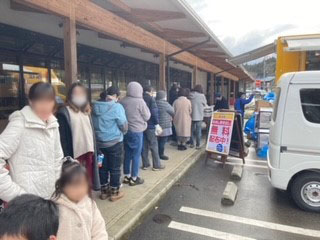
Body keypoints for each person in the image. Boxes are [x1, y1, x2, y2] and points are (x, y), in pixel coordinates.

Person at [0, 82, 63, 202]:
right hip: (26, 205)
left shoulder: (53, 124)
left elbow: (57, 158)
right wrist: (15, 195)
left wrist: (57, 187)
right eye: (41, 102)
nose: (45, 107)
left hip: (50, 200)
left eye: (49, 102)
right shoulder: (20, 123)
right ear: (31, 102)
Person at [56, 82, 100, 191]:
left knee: (87, 182)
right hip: (74, 156)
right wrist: (67, 159)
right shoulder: (64, 112)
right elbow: (62, 139)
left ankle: (87, 203)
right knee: (75, 184)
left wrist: (97, 149)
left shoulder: (86, 111)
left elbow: (92, 133)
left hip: (88, 153)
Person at [53, 159, 108, 240]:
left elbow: (99, 229)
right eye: (75, 185)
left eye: (83, 184)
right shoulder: (55, 208)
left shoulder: (90, 204)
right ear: (63, 185)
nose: (80, 190)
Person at [92, 86, 128, 201]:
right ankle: (114, 192)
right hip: (114, 143)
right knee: (115, 168)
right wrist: (124, 132)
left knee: (101, 166)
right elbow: (123, 125)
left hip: (99, 144)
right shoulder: (117, 107)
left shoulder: (94, 106)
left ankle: (104, 192)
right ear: (116, 96)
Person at [120, 82, 150, 186]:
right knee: (136, 155)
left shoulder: (122, 101)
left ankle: (127, 176)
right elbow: (147, 116)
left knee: (127, 154)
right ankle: (134, 177)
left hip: (125, 131)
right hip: (137, 131)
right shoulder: (140, 102)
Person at [141, 86, 165, 171]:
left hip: (141, 126)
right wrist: (157, 123)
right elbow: (154, 112)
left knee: (144, 146)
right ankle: (156, 165)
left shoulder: (140, 99)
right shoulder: (151, 99)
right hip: (150, 125)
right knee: (154, 145)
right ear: (150, 91)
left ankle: (145, 164)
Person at [156, 91, 175, 160]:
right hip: (165, 125)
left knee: (157, 140)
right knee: (162, 141)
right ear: (164, 96)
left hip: (156, 125)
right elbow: (173, 112)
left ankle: (156, 153)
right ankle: (161, 154)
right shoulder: (165, 104)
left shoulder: (154, 103)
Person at [189, 85, 207, 149]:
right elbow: (205, 104)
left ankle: (191, 144)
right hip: (199, 115)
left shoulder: (190, 95)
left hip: (191, 115)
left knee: (191, 130)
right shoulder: (202, 96)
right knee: (198, 130)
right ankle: (198, 145)